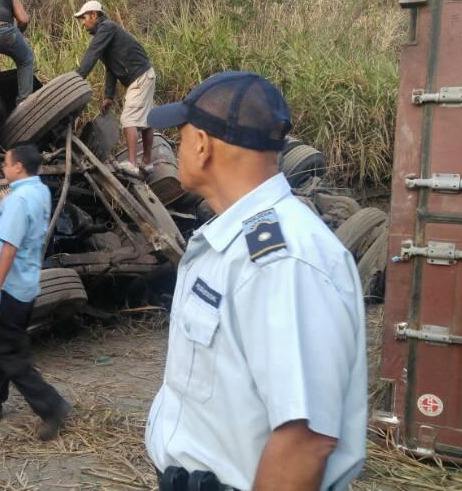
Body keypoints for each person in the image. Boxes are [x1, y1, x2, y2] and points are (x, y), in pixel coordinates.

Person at [142, 72, 367, 491]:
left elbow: (306, 440)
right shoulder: (236, 241)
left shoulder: (283, 263)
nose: (178, 145)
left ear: (203, 145)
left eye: (181, 133)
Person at [0, 142, 72, 440]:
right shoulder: (37, 191)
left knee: (10, 354)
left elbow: (9, 247)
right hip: (26, 285)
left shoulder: (21, 201)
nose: (3, 168)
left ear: (19, 167)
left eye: (6, 164)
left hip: (10, 289)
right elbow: (14, 207)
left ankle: (52, 406)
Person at [74, 0, 158, 176]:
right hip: (145, 75)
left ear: (94, 15)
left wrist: (76, 78)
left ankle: (133, 164)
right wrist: (108, 96)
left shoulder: (106, 28)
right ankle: (147, 162)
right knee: (145, 121)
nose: (83, 22)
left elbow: (92, 53)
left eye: (84, 18)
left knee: (129, 119)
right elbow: (111, 68)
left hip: (140, 77)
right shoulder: (106, 32)